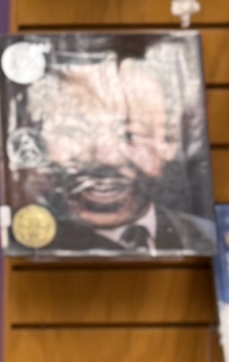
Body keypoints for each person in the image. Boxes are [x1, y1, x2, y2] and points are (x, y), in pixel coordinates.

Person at [19, 52, 213, 254]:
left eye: (130, 134)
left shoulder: (205, 237)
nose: (105, 158)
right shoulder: (18, 242)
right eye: (74, 132)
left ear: (169, 141)